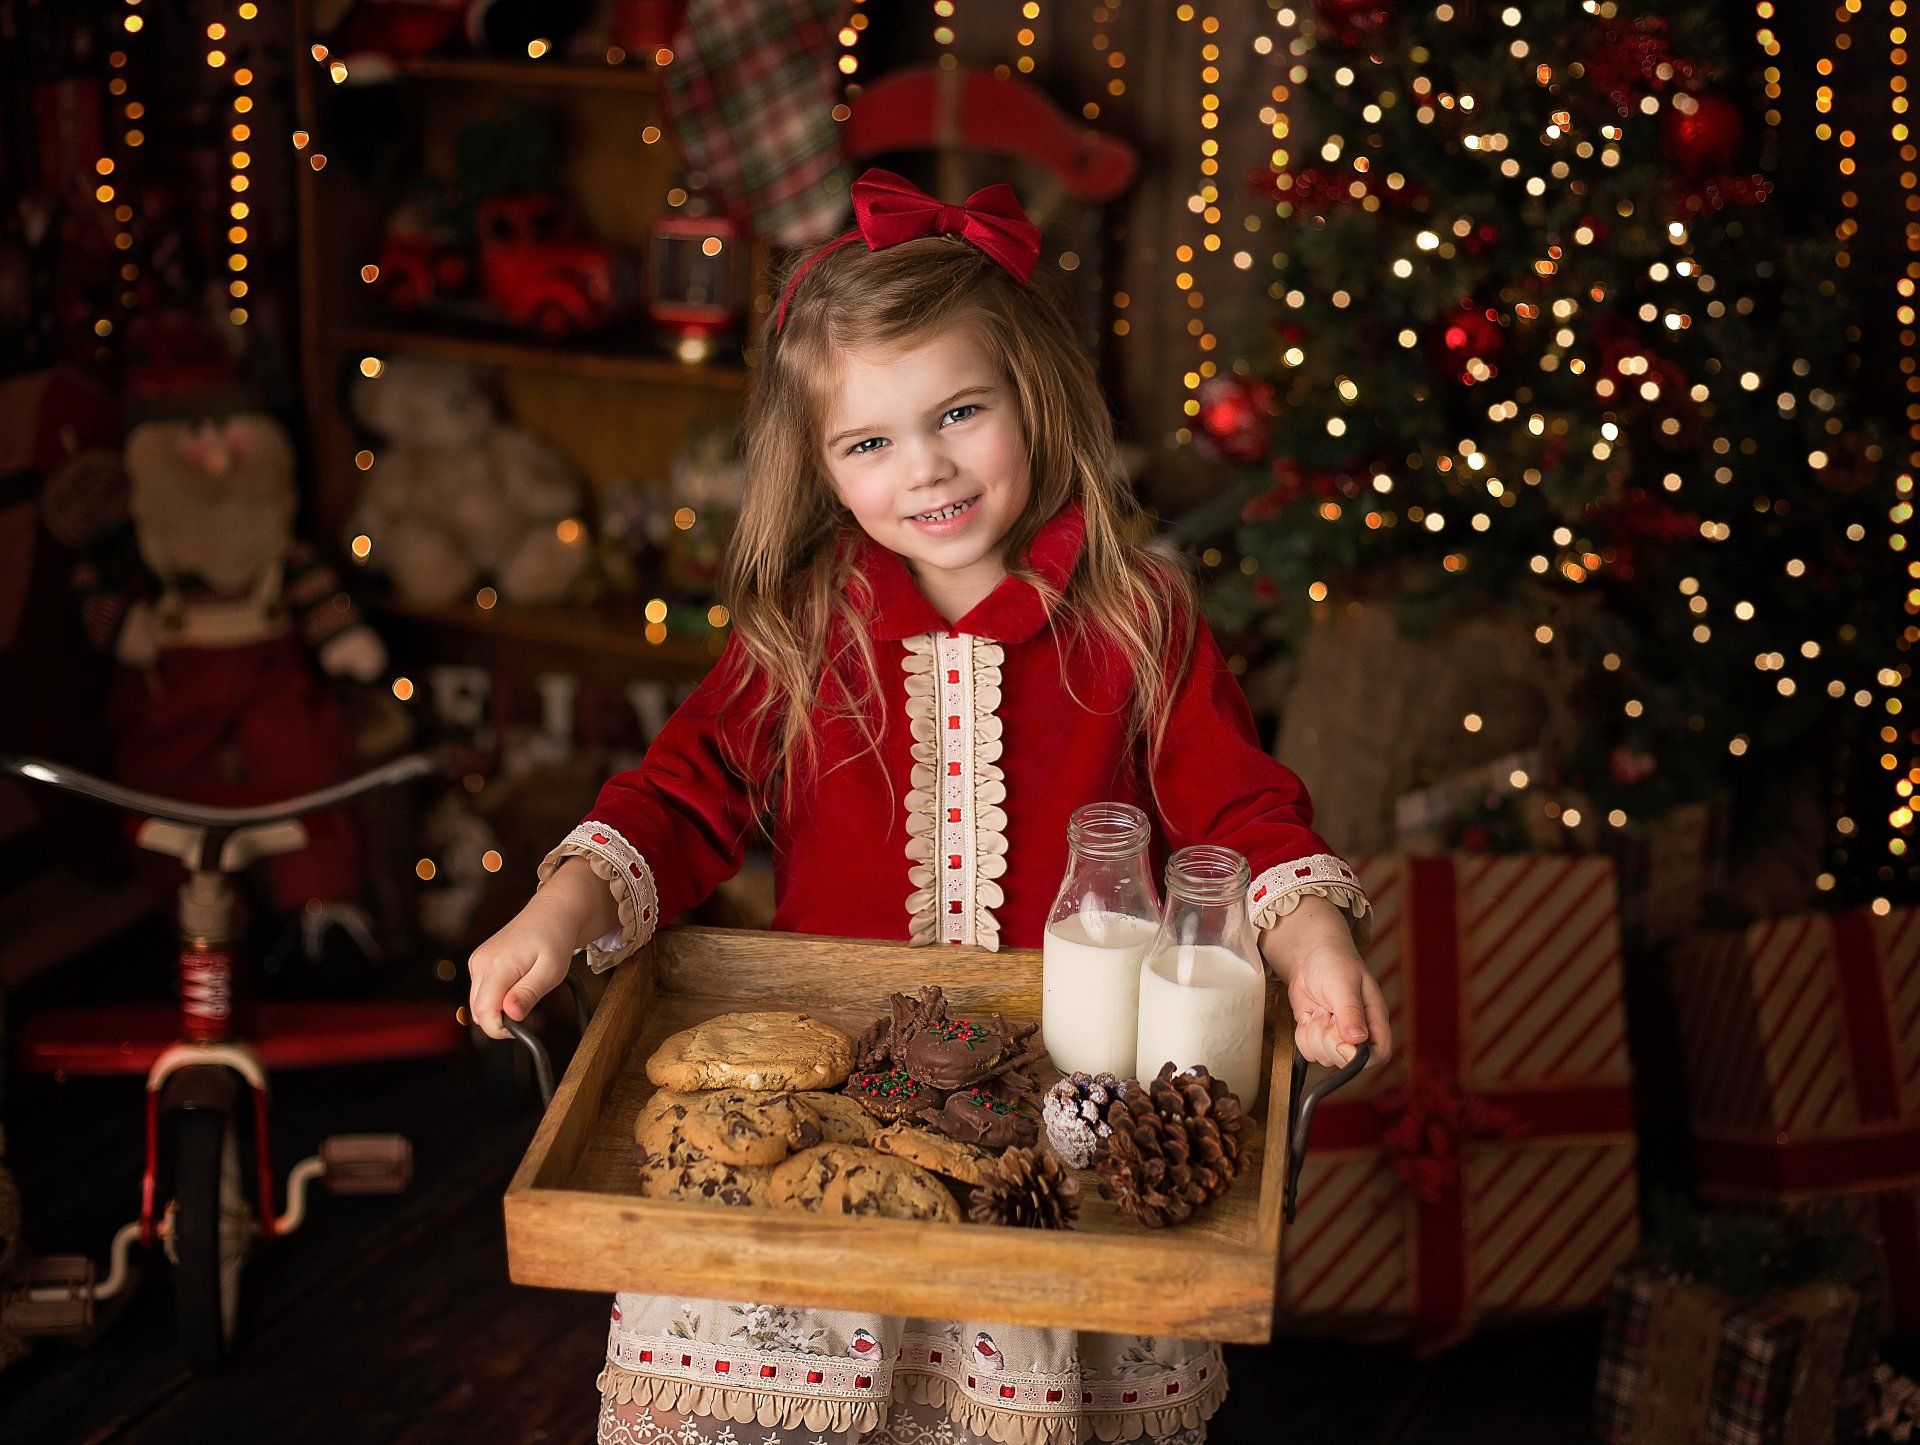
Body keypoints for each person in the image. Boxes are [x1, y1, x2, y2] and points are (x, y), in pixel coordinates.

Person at [468, 168, 1393, 1445]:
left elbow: (1239, 807)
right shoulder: (805, 626)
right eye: (870, 442)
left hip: (1060, 1124)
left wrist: (1312, 938)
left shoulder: (1138, 617)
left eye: (962, 410)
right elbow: (683, 792)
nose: (929, 468)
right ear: (820, 463)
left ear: (1035, 394)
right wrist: (562, 907)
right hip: (830, 1104)